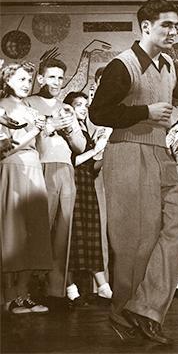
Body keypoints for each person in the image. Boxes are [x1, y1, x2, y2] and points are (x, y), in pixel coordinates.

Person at [89, 0, 178, 345]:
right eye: (167, 25)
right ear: (146, 26)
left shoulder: (167, 64)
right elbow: (98, 113)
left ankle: (144, 308)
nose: (174, 31)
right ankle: (121, 313)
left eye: (176, 25)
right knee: (135, 242)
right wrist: (144, 111)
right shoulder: (122, 65)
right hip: (128, 152)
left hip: (160, 152)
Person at [26, 58, 86, 304]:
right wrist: (50, 126)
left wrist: (70, 127)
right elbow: (28, 143)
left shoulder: (65, 107)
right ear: (40, 78)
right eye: (51, 77)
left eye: (60, 78)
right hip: (40, 168)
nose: (57, 82)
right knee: (37, 231)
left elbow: (81, 147)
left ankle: (56, 291)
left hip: (66, 170)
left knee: (63, 232)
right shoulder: (28, 103)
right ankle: (27, 291)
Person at [1, 62, 52, 314]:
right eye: (20, 79)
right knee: (14, 234)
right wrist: (34, 131)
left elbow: (38, 145)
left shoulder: (30, 109)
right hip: (13, 170)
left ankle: (24, 295)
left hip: (34, 170)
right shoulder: (1, 108)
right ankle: (9, 298)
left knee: (35, 233)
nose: (25, 84)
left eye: (28, 80)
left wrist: (46, 130)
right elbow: (4, 149)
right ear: (7, 81)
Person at [62, 91, 112, 306]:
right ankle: (69, 286)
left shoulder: (85, 131)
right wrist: (96, 150)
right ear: (68, 108)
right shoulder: (65, 130)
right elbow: (73, 161)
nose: (83, 108)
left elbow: (92, 168)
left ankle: (102, 286)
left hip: (86, 185)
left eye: (85, 105)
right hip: (71, 182)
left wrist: (102, 148)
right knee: (72, 235)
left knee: (90, 234)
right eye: (78, 104)